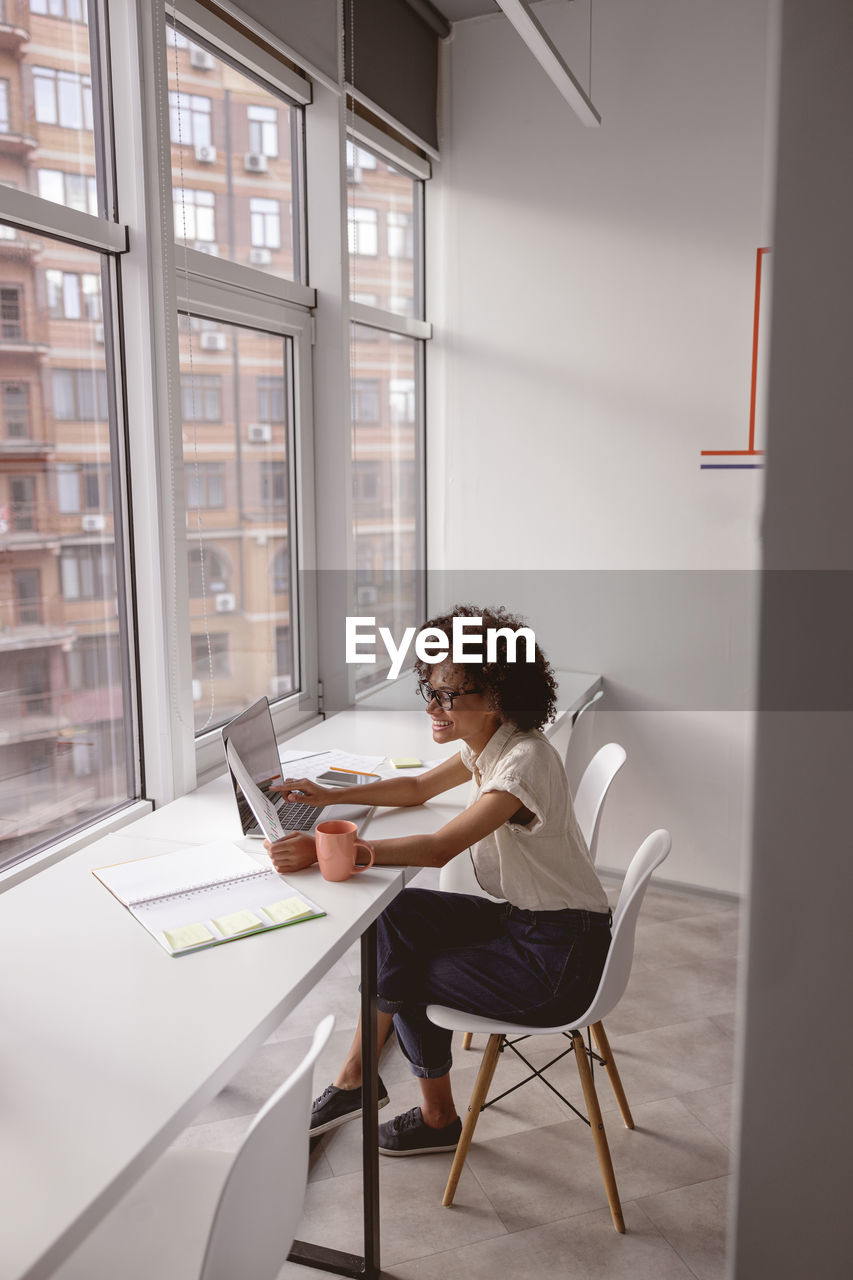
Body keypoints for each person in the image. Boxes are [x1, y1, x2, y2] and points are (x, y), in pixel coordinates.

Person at [265, 604, 611, 1157]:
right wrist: (330, 796)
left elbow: (439, 846)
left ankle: (431, 1115)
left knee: (408, 973)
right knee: (397, 918)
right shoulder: (494, 745)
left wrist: (329, 849)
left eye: (450, 694)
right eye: (431, 688)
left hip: (559, 958)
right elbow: (416, 789)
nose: (433, 705)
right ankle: (356, 1079)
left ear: (495, 695)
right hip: (537, 925)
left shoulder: (521, 764)